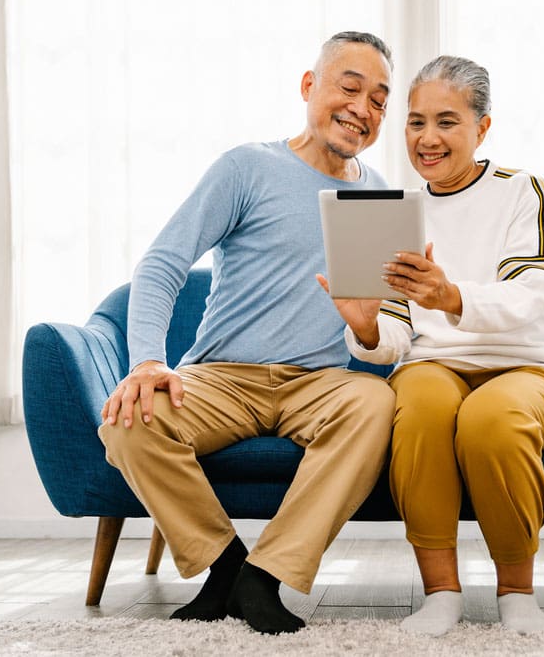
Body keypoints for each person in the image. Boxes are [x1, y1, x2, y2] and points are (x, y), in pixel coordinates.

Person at [98, 32, 396, 635]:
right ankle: (226, 565)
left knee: (376, 402)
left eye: (380, 100)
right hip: (222, 376)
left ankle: (266, 576)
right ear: (310, 86)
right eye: (350, 87)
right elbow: (162, 264)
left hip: (319, 382)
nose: (363, 109)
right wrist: (147, 362)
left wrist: (369, 331)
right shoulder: (249, 166)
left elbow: (377, 324)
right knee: (129, 424)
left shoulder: (378, 194)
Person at [321, 55, 544, 636]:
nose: (428, 139)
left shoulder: (524, 191)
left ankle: (518, 594)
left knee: (491, 420)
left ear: (481, 127)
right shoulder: (397, 210)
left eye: (446, 121)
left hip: (529, 366)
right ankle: (441, 593)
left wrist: (450, 297)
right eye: (416, 122)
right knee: (421, 411)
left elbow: (529, 298)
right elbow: (392, 341)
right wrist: (365, 326)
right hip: (432, 364)